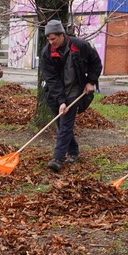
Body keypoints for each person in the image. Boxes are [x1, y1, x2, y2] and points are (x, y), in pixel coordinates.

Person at [39, 19, 101, 171]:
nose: (51, 42)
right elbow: (52, 79)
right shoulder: (47, 53)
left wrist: (91, 81)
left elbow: (96, 62)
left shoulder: (79, 46)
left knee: (66, 124)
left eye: (53, 38)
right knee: (61, 125)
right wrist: (61, 101)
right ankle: (73, 151)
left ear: (62, 35)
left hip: (75, 88)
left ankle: (57, 159)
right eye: (48, 39)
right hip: (56, 91)